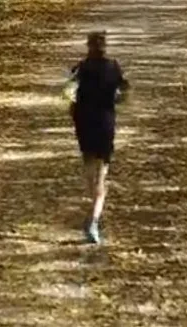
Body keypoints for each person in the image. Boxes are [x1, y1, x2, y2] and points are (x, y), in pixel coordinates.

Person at [70, 30, 129, 245]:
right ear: (105, 46)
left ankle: (91, 209)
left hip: (84, 125)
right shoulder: (114, 67)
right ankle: (93, 220)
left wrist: (74, 113)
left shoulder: (80, 68)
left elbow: (68, 95)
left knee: (89, 171)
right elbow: (125, 91)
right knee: (101, 177)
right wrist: (115, 100)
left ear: (88, 46)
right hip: (105, 125)